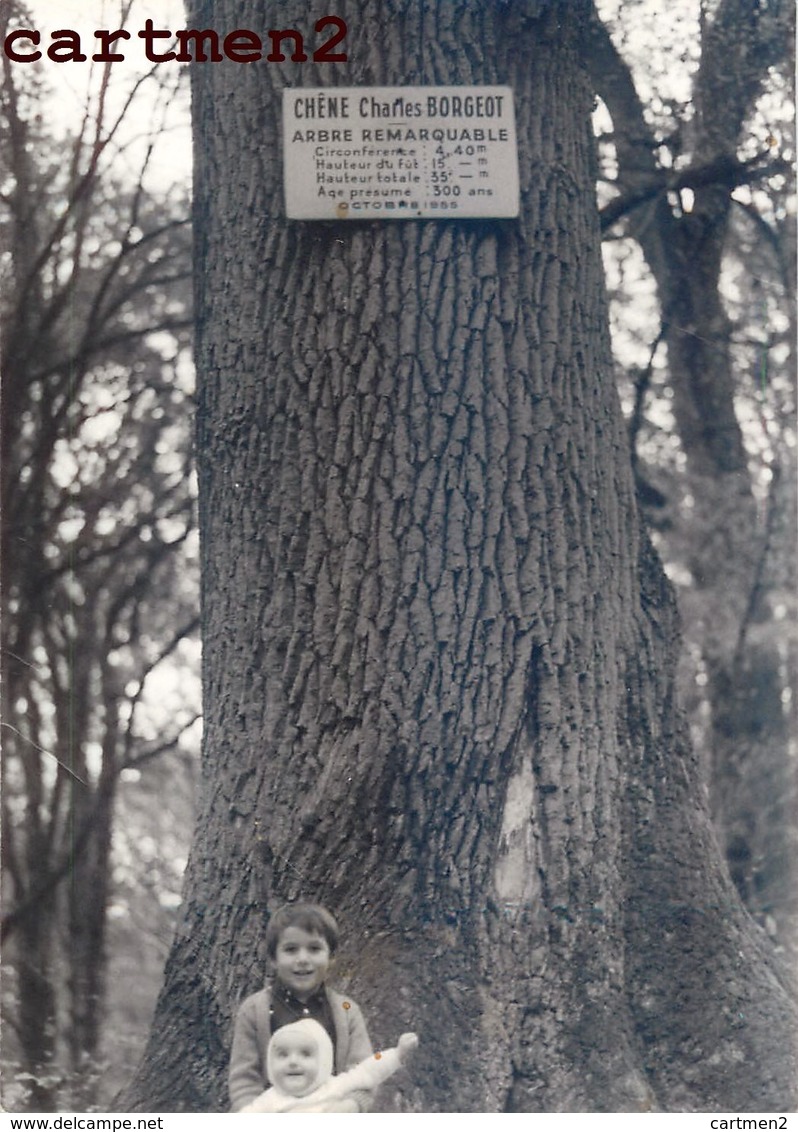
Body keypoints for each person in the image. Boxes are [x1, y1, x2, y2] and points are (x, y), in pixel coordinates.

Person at [229, 902, 374, 1112]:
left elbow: (364, 1072)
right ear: (273, 959)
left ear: (331, 957)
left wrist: (351, 1106)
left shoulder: (346, 1011)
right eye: (291, 950)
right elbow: (244, 1081)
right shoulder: (254, 1010)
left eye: (314, 949)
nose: (303, 959)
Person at [239, 1019, 418, 1112]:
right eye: (282, 1055)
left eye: (305, 1054)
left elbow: (368, 1070)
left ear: (323, 1062)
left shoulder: (334, 1086)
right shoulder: (268, 1101)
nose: (292, 1062)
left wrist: (397, 1054)